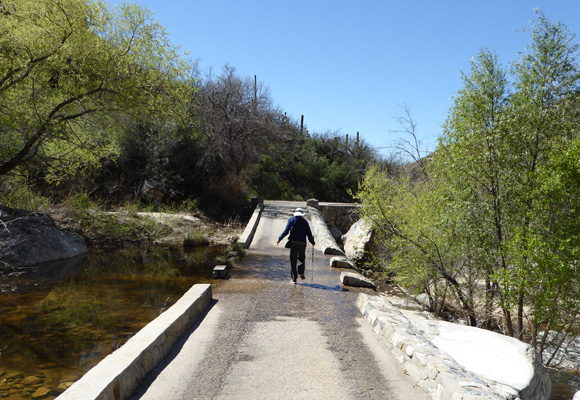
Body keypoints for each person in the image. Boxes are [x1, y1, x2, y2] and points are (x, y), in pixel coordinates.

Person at [277, 207, 315, 283]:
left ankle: (294, 279)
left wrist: (279, 238)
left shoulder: (291, 220)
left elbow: (286, 231)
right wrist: (312, 242)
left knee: (293, 260)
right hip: (302, 244)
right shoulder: (305, 222)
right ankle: (301, 272)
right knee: (301, 258)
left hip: (294, 243)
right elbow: (309, 234)